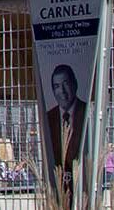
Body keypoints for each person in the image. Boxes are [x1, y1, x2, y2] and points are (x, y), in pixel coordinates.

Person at [43, 64, 88, 198]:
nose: (62, 91)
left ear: (75, 84)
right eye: (57, 86)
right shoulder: (48, 118)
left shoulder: (87, 114)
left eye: (65, 84)